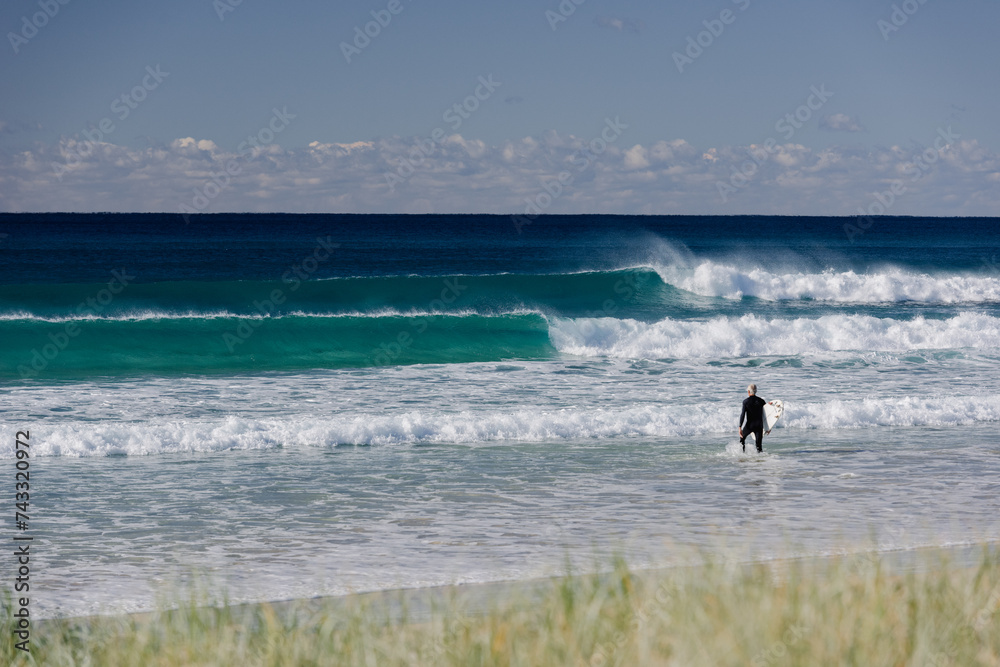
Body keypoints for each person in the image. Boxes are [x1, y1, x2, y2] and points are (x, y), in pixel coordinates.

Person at [739, 383, 768, 453]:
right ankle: (760, 461)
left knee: (742, 439)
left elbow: (742, 415)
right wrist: (768, 427)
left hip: (749, 425)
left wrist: (740, 427)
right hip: (759, 426)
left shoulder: (745, 402)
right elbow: (767, 414)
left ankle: (742, 455)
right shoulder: (761, 401)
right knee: (759, 446)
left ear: (748, 391)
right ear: (756, 391)